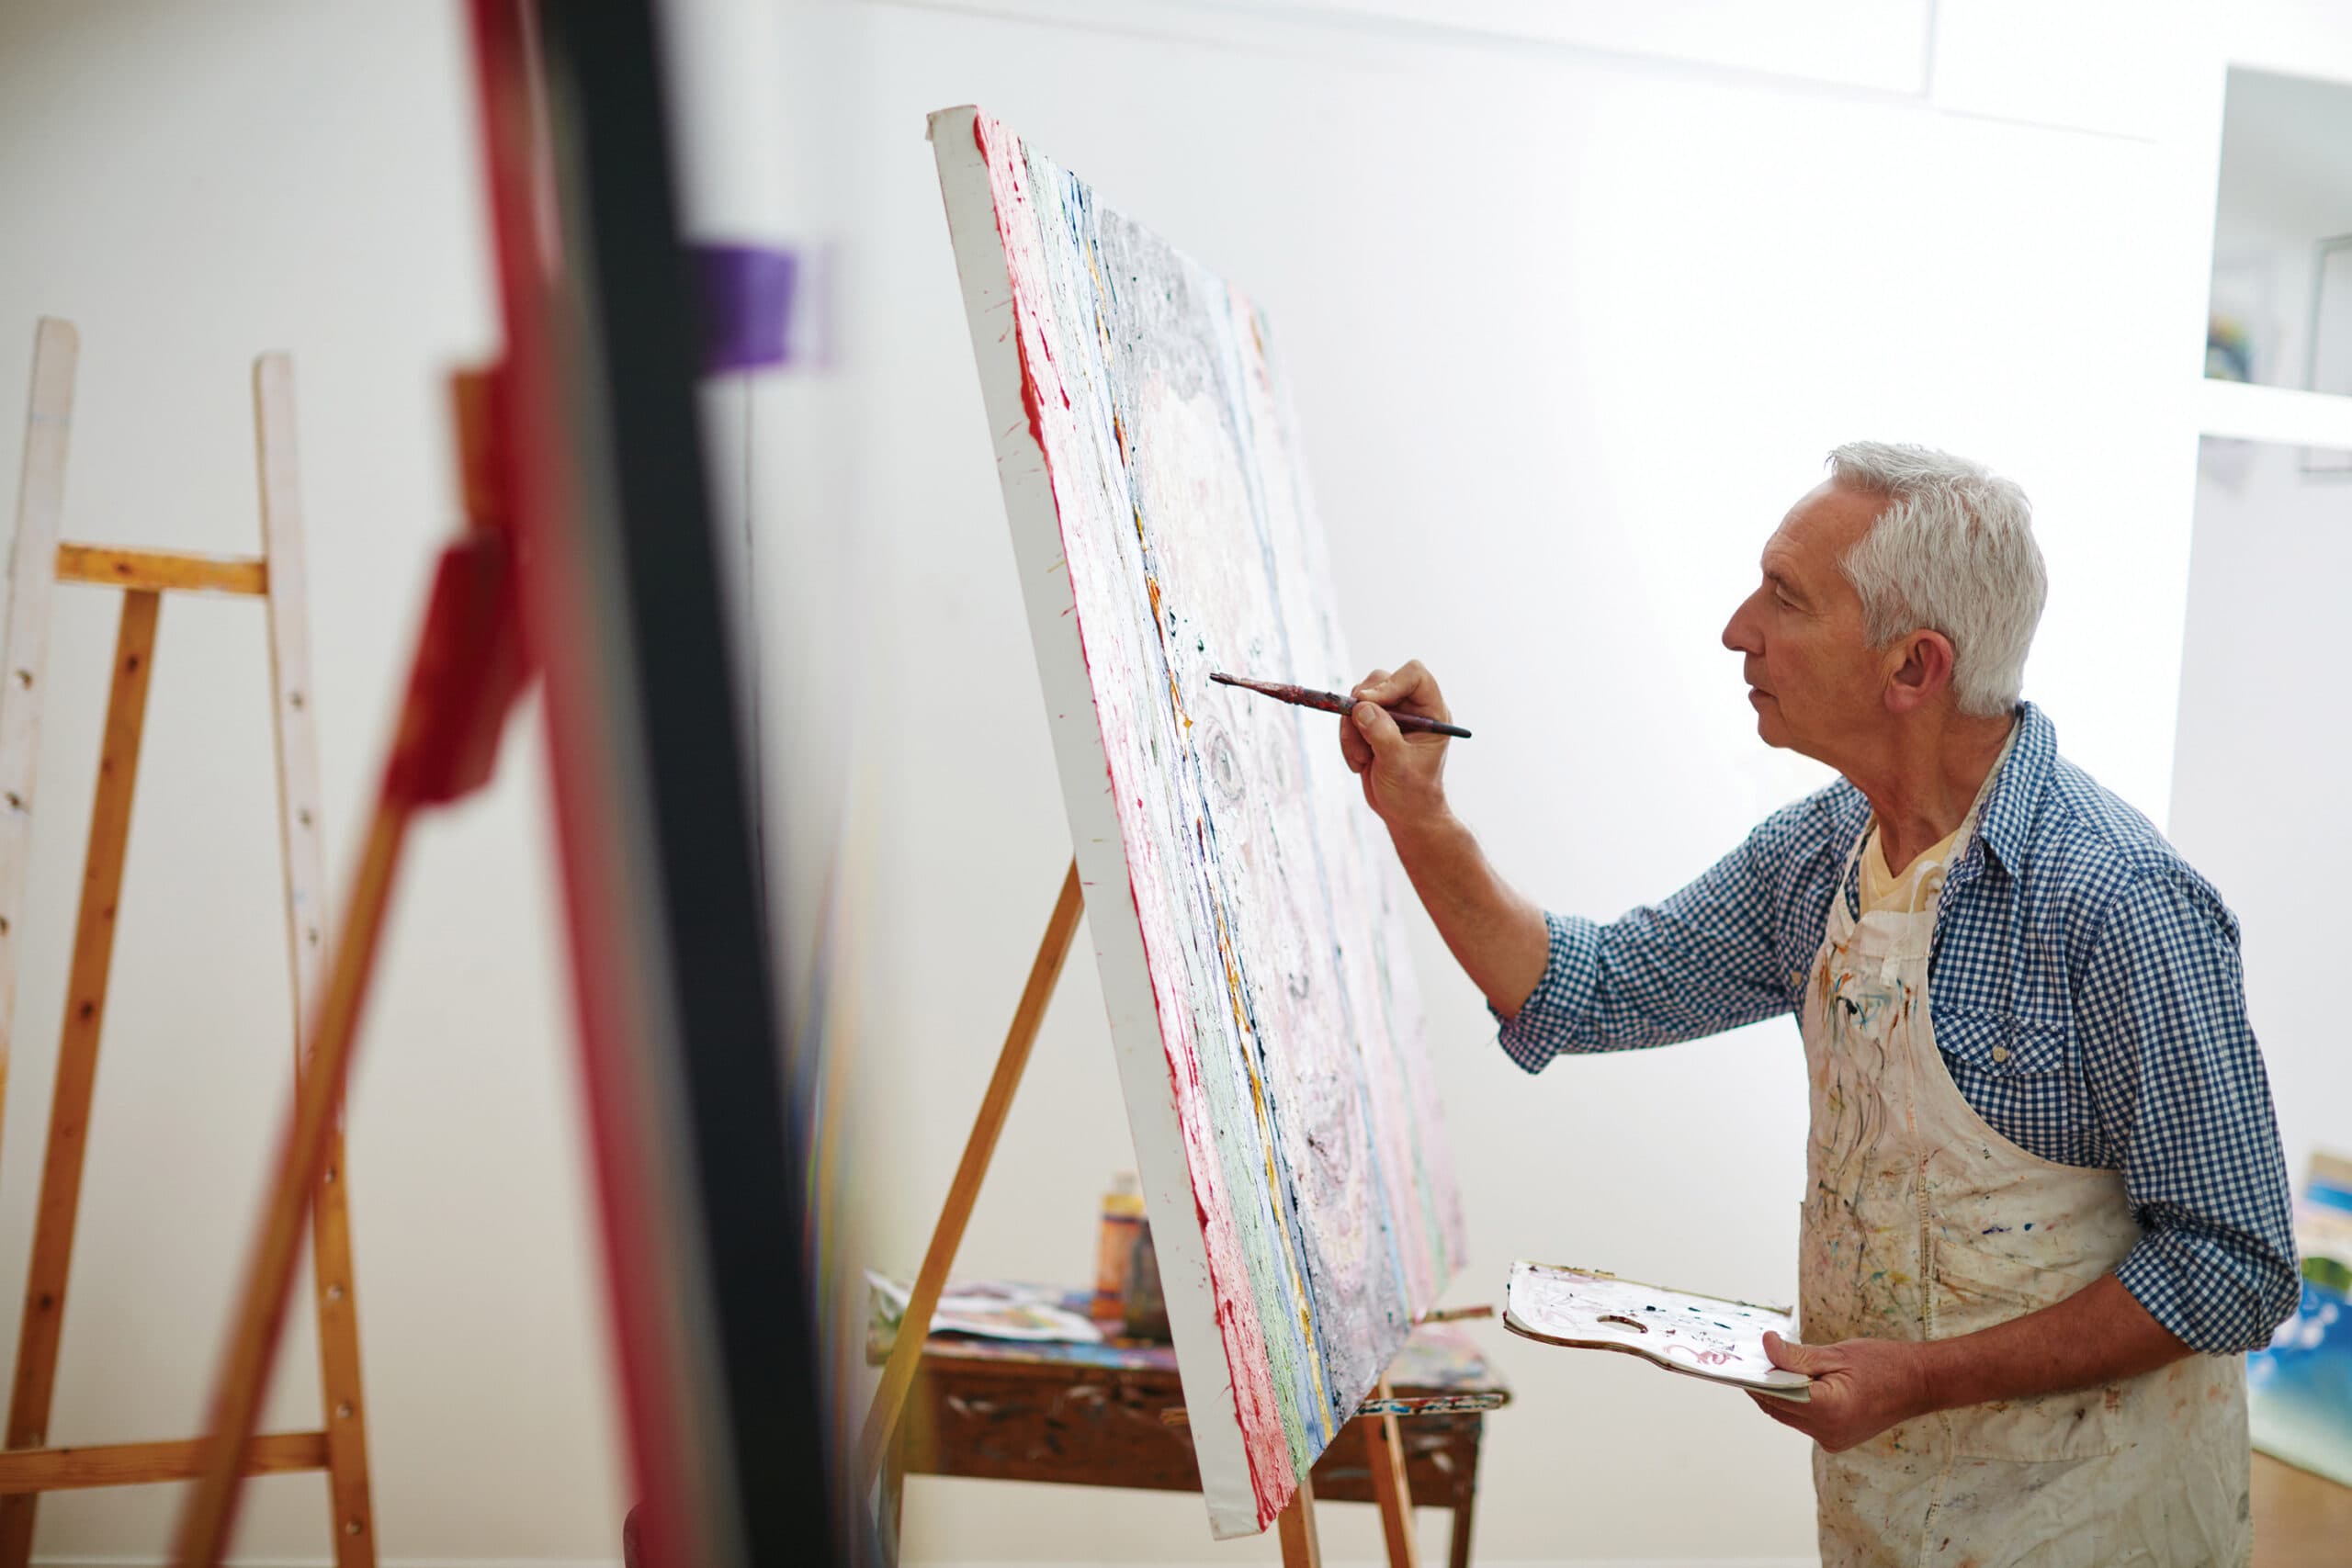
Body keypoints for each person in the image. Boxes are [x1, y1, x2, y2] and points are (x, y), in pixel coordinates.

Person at [1340, 442, 2297, 1566]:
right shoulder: (1817, 861)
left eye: (1784, 597)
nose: (1738, 629)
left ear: (1912, 667)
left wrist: (1923, 1378)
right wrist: (1420, 820)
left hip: (2095, 1532)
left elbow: (2233, 1265)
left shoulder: (2117, 899)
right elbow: (1579, 989)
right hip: (1889, 1520)